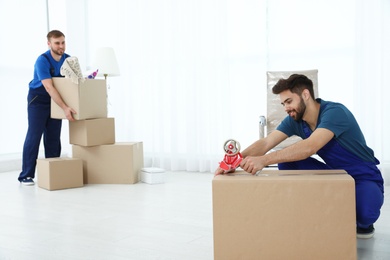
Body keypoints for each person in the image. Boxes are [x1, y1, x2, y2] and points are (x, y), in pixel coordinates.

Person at [215, 74, 384, 239]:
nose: (286, 108)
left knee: (365, 214)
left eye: (289, 101)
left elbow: (310, 146)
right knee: (288, 163)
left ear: (305, 94)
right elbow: (266, 143)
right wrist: (232, 160)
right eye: (283, 104)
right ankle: (310, 210)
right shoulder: (295, 120)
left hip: (363, 176)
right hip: (334, 174)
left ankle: (358, 217)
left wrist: (264, 160)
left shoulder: (335, 112)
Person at [18, 30, 76, 186]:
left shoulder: (68, 60)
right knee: (34, 135)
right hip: (39, 100)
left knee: (53, 137)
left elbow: (75, 82)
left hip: (56, 101)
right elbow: (49, 88)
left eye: (63, 42)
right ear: (49, 43)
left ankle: (53, 172)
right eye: (57, 43)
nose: (61, 46)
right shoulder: (42, 61)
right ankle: (26, 175)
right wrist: (64, 107)